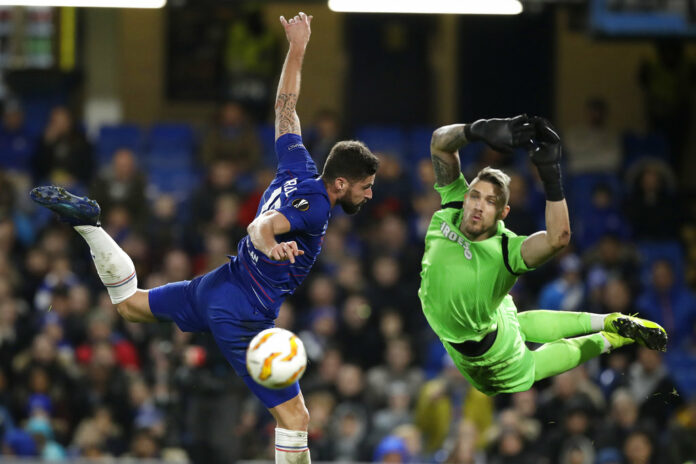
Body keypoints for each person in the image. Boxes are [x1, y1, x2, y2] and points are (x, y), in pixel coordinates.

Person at [29, 12, 379, 464]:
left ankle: (89, 226)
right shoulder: (314, 208)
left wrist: (297, 50)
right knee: (295, 420)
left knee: (130, 305)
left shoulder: (299, 166)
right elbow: (262, 226)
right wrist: (268, 242)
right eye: (365, 186)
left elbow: (285, 110)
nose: (370, 194)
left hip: (220, 283)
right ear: (341, 184)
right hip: (244, 314)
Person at [418, 115, 667, 396]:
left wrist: (550, 175)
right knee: (517, 323)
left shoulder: (506, 251)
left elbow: (557, 238)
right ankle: (608, 320)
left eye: (491, 202)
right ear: (465, 197)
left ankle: (611, 336)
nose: (478, 206)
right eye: (475, 196)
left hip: (490, 358)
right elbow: (440, 142)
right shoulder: (452, 205)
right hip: (488, 320)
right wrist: (482, 129)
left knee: (533, 367)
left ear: (503, 214)